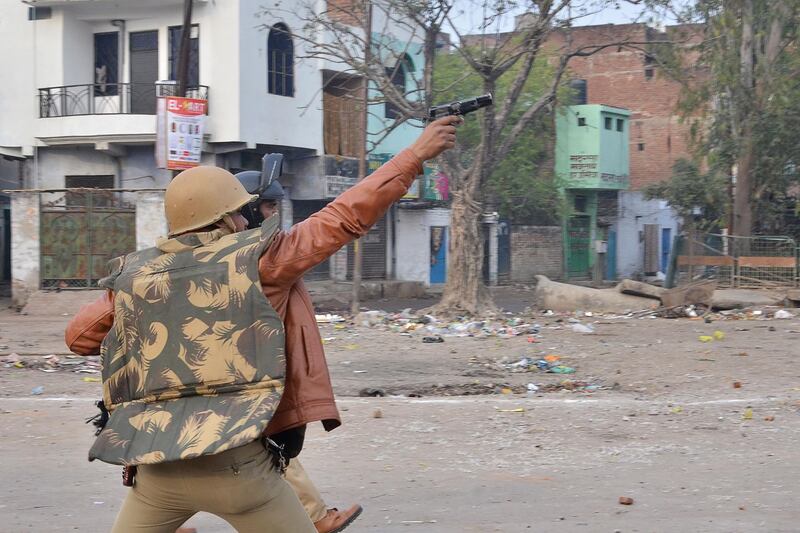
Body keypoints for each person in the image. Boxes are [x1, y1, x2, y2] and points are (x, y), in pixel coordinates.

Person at [65, 116, 459, 533]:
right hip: (239, 470)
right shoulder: (262, 262)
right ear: (232, 218)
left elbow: (78, 337)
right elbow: (344, 217)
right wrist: (414, 156)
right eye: (244, 213)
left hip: (156, 475)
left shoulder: (137, 278)